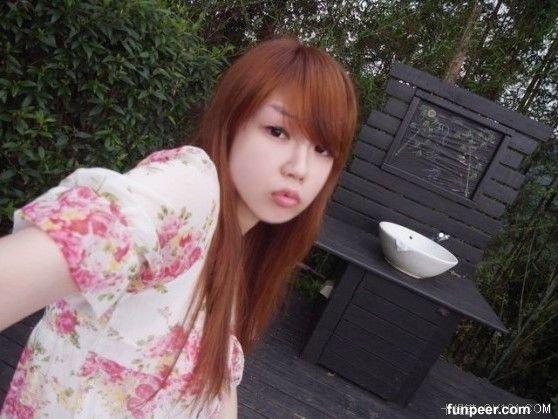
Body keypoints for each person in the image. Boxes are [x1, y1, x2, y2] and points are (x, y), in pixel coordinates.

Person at [0, 37, 358, 418]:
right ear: (232, 123)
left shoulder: (242, 251)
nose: (299, 168)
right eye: (277, 131)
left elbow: (217, 389)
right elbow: (102, 229)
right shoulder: (192, 190)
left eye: (321, 149)